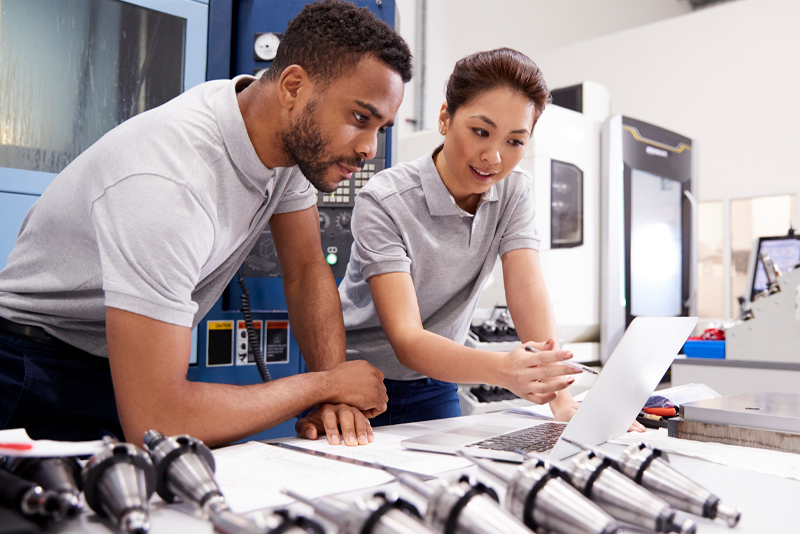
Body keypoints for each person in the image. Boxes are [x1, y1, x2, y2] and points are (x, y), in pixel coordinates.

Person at [0, 0, 412, 447]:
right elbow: (157, 420)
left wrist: (335, 394)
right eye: (359, 118)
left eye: (381, 128)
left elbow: (306, 269)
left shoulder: (284, 141)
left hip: (110, 364)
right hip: (31, 371)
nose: (370, 148)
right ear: (293, 87)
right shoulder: (167, 182)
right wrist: (325, 386)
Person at [329, 48, 647, 431]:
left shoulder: (513, 192)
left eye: (515, 141)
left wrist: (561, 401)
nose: (493, 157)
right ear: (446, 118)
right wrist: (502, 369)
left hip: (438, 380)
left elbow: (527, 288)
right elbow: (407, 338)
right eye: (481, 132)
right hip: (361, 383)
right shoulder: (385, 199)